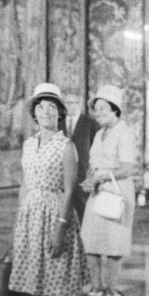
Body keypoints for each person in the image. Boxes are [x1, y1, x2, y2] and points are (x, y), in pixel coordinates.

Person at [9, 83, 86, 296]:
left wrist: (61, 227)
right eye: (41, 107)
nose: (46, 112)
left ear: (60, 113)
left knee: (54, 283)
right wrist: (18, 223)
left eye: (52, 107)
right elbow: (24, 184)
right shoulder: (29, 144)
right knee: (31, 281)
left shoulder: (66, 146)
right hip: (30, 216)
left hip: (55, 214)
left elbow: (70, 190)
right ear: (34, 114)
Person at [78, 84, 140, 296]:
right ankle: (97, 288)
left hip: (117, 191)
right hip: (98, 191)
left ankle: (111, 290)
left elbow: (128, 167)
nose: (98, 113)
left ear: (115, 109)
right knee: (90, 241)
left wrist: (102, 178)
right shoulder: (99, 133)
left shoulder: (124, 133)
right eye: (96, 109)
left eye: (103, 108)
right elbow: (94, 162)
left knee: (114, 243)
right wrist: (90, 179)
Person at [64, 91, 100, 225]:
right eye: (67, 103)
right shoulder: (58, 123)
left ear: (79, 104)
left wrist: (92, 173)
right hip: (62, 175)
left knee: (83, 212)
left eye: (73, 103)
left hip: (83, 175)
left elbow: (98, 149)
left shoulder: (91, 123)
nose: (70, 106)